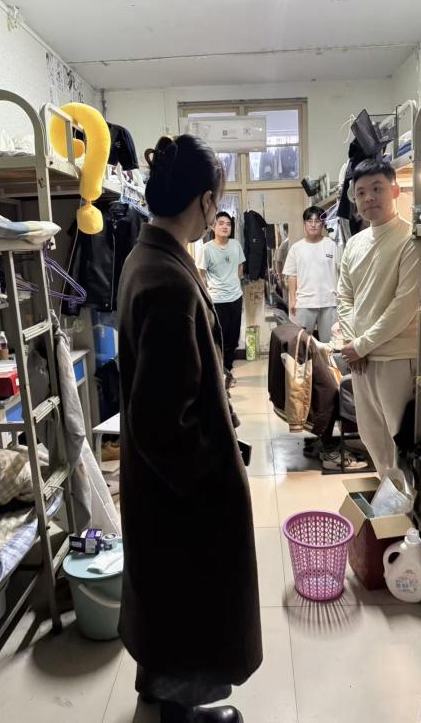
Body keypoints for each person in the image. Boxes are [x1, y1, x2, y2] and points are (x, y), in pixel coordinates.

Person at [118, 134, 262, 723]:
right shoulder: (170, 281)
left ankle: (160, 699)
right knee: (185, 597)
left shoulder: (145, 256)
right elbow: (162, 425)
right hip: (179, 492)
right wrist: (212, 479)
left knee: (163, 598)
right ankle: (176, 714)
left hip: (155, 486)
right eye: (216, 202)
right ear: (204, 202)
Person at [337, 158, 421, 476]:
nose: (368, 198)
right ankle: (390, 498)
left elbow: (405, 305)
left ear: (395, 190)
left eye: (377, 188)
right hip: (362, 359)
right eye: (361, 192)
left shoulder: (412, 239)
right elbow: (344, 296)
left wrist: (361, 345)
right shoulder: (354, 244)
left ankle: (411, 505)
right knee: (373, 438)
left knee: (404, 441)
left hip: (399, 357)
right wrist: (353, 343)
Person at [197, 211, 245, 389]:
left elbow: (240, 267)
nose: (225, 227)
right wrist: (207, 295)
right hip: (217, 300)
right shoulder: (206, 249)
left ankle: (228, 371)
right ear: (213, 226)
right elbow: (201, 274)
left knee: (233, 338)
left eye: (228, 224)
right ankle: (221, 375)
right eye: (221, 223)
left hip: (235, 297)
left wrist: (233, 282)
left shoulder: (236, 245)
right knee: (219, 339)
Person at [282, 206, 339, 342]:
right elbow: (292, 276)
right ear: (304, 224)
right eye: (309, 221)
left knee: (331, 343)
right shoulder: (296, 248)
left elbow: (341, 271)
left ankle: (327, 358)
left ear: (322, 224)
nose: (313, 225)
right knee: (301, 343)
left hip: (329, 302)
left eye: (317, 221)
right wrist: (293, 300)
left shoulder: (332, 245)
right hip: (304, 302)